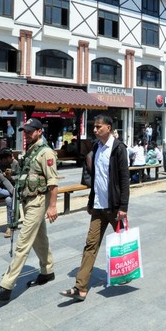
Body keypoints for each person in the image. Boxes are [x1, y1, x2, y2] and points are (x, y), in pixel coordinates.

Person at [0, 118, 59, 303]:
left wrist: (53, 206)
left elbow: (53, 182)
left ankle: (6, 286)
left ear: (39, 131)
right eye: (25, 131)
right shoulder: (31, 151)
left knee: (23, 243)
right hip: (28, 200)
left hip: (38, 201)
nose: (27, 134)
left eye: (30, 131)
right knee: (39, 239)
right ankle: (47, 270)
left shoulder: (46, 152)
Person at [60, 115, 130, 302]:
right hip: (99, 207)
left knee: (122, 243)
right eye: (94, 126)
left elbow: (124, 179)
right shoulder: (97, 148)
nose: (95, 129)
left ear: (108, 127)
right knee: (90, 245)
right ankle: (80, 287)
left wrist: (123, 206)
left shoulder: (118, 149)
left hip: (115, 207)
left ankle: (125, 273)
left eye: (98, 126)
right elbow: (96, 179)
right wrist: (91, 202)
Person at [0, 148, 20, 238]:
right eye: (11, 156)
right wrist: (14, 193)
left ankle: (9, 227)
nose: (13, 157)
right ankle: (16, 208)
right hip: (2, 190)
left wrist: (11, 178)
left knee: (8, 200)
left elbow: (19, 176)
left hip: (12, 189)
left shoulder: (15, 163)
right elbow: (4, 182)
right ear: (4, 159)